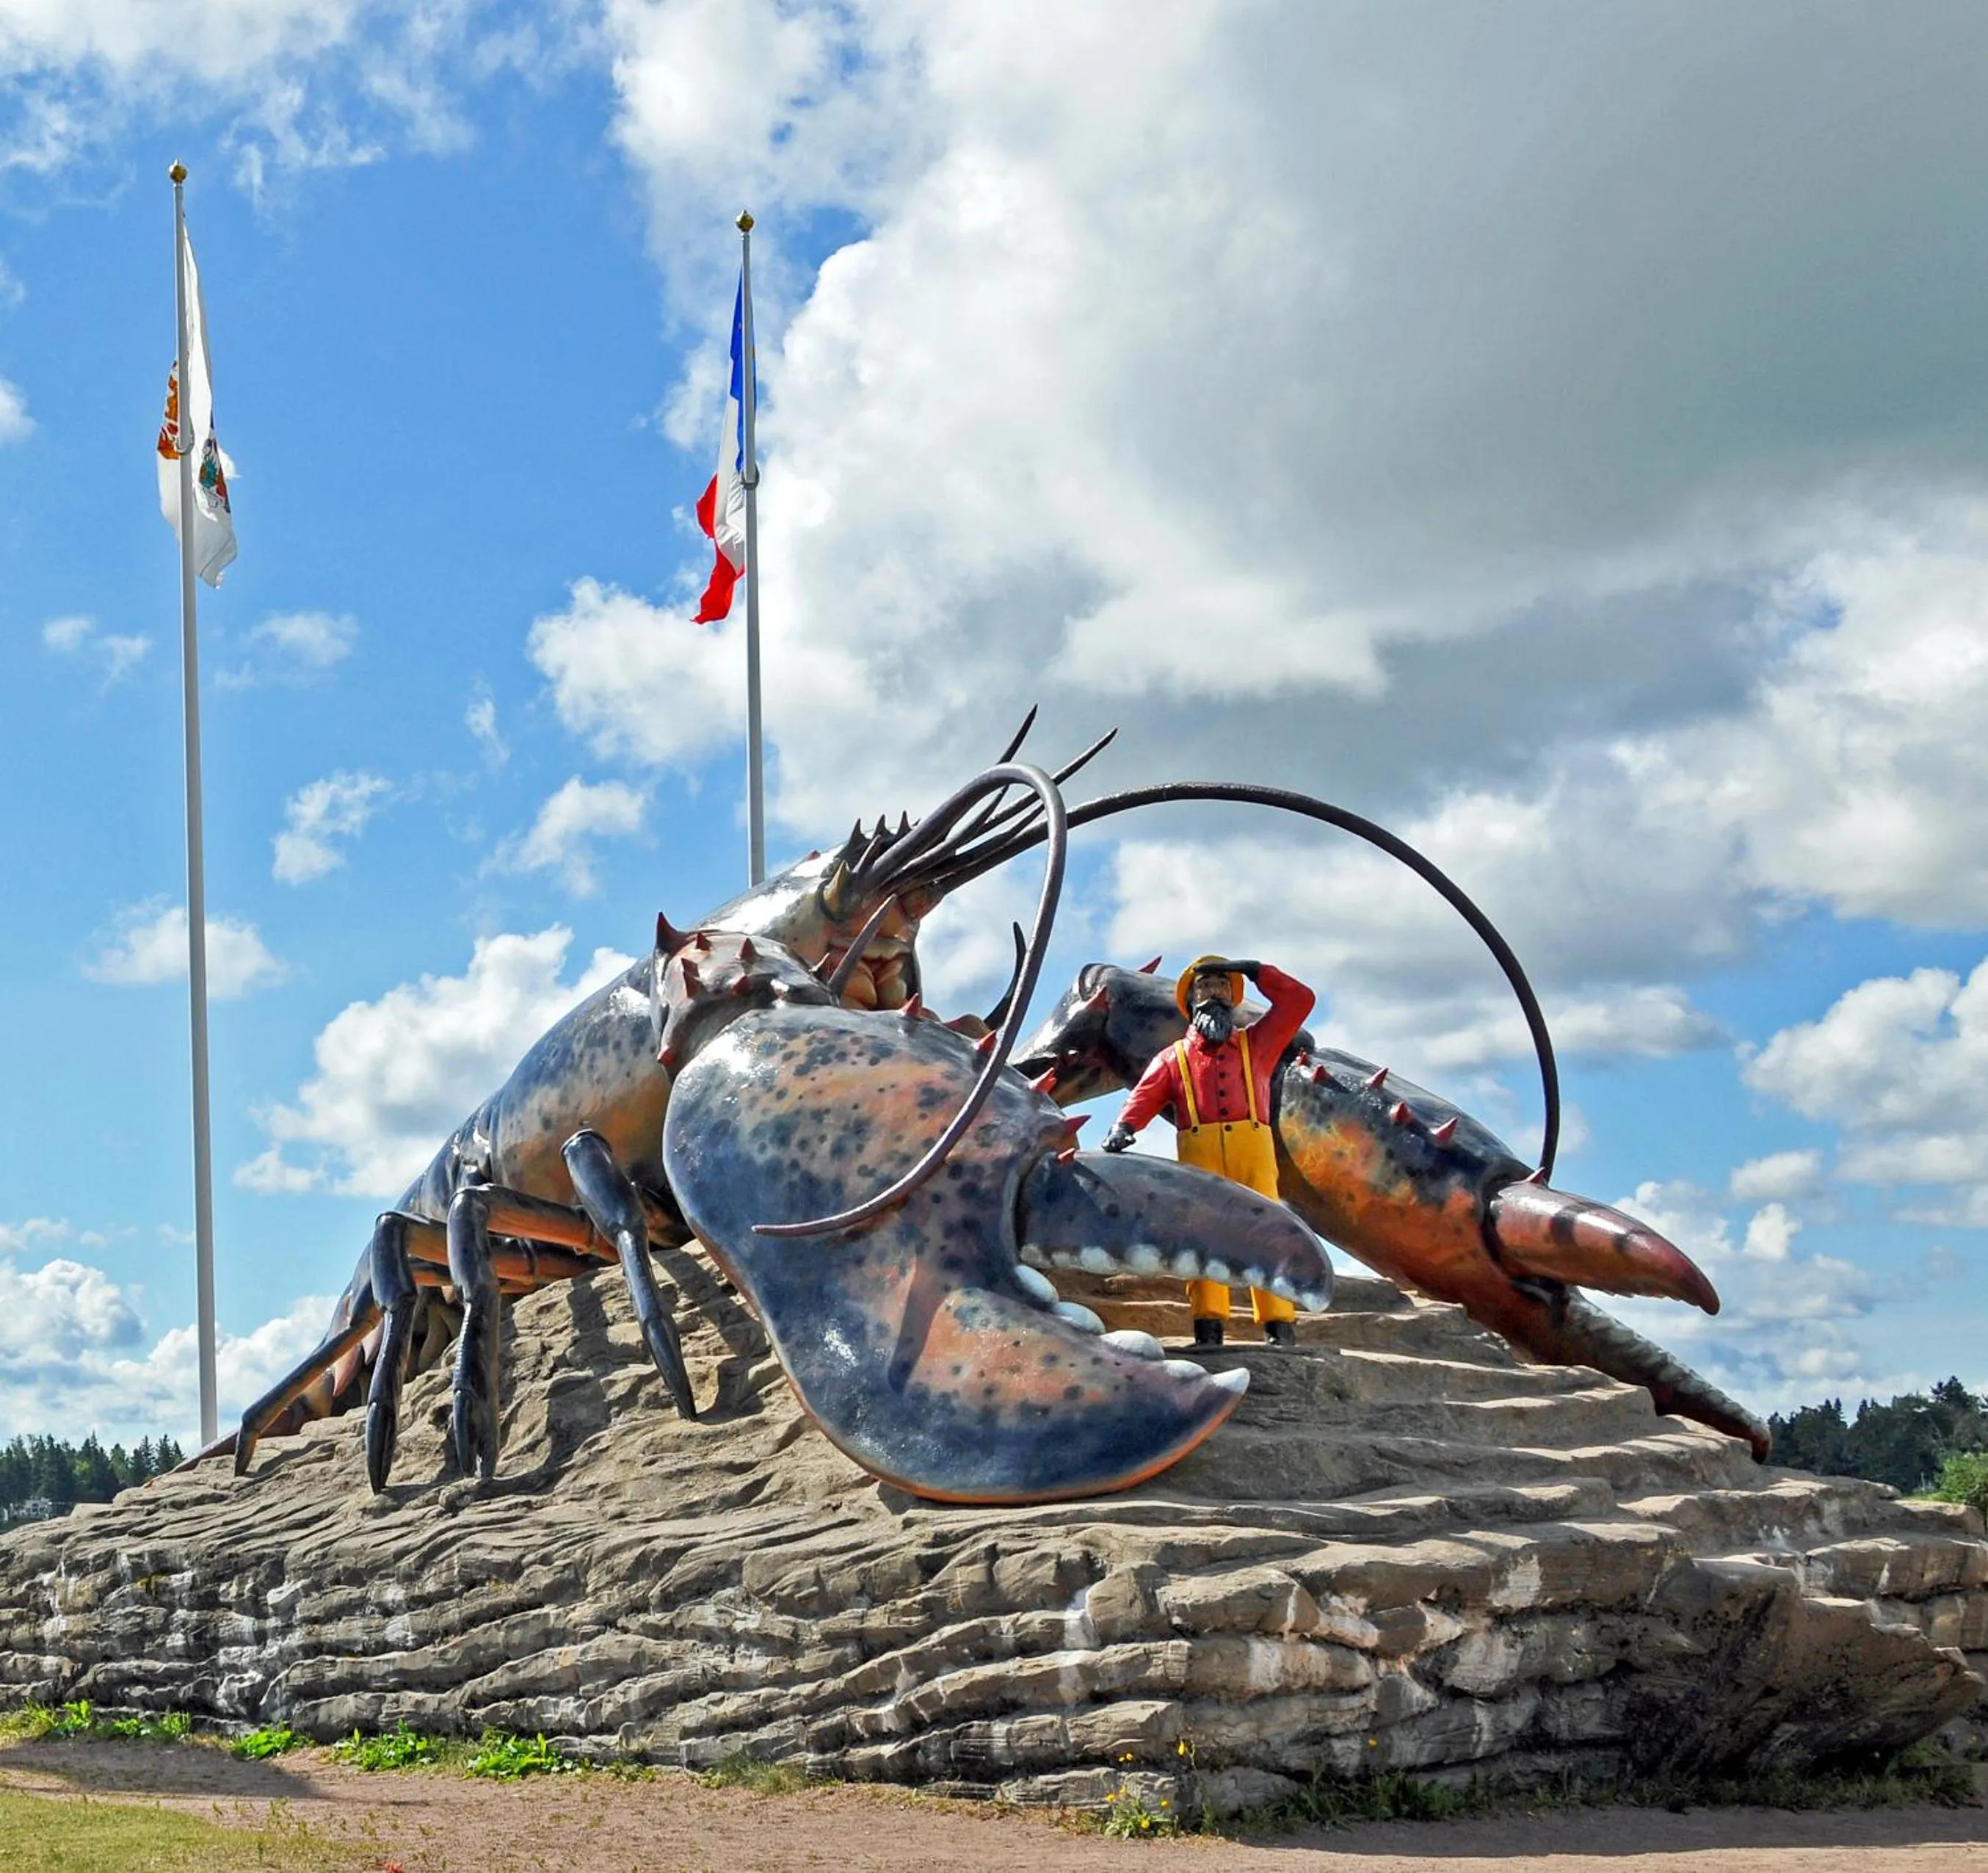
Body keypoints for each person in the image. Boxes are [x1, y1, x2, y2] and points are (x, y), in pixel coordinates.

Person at [1101, 955, 1316, 1347]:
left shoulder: (1258, 1044)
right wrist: (1123, 1127)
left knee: (1267, 1232)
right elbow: (1144, 1095)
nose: (1213, 993)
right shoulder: (1172, 1059)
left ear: (1232, 997)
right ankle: (1208, 1327)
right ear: (1191, 998)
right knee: (1201, 1235)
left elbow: (1299, 1001)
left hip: (1253, 1149)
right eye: (1205, 987)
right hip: (1198, 1153)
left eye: (1221, 986)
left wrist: (1259, 971)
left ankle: (1279, 1325)